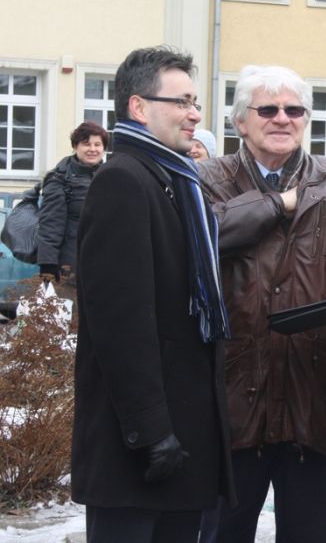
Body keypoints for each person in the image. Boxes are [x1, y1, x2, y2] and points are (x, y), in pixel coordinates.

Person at [197, 65, 326, 543]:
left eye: (294, 110)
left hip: (311, 399)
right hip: (230, 402)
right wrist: (276, 204)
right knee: (221, 533)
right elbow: (198, 239)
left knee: (309, 534)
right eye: (268, 109)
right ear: (240, 121)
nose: (282, 118)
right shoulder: (206, 180)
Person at [72, 46, 234, 543]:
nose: (195, 114)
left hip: (178, 440)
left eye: (195, 102)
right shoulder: (123, 181)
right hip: (141, 450)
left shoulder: (173, 179)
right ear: (139, 107)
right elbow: (119, 323)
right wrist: (151, 431)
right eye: (182, 102)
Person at [37, 121, 108, 284]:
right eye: (86, 144)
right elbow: (51, 224)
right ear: (76, 146)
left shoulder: (111, 175)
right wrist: (48, 264)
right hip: (71, 264)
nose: (92, 149)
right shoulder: (59, 178)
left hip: (105, 262)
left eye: (97, 144)